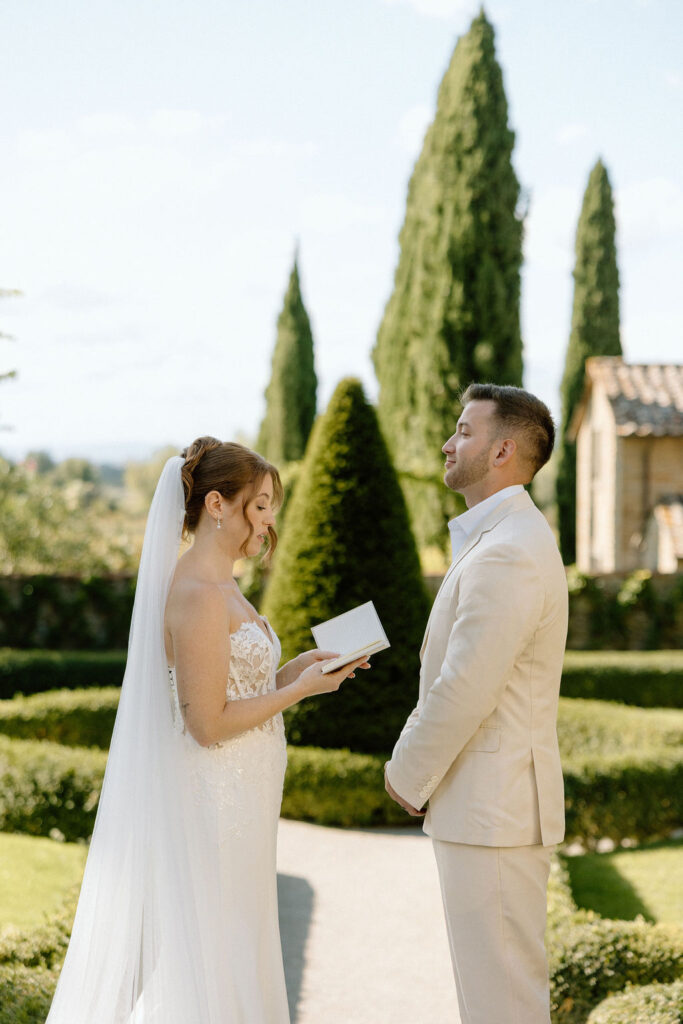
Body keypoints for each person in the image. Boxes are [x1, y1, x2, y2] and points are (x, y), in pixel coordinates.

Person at [46, 437, 368, 1024]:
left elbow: (245, 681)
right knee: (209, 946)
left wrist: (304, 667)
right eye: (262, 504)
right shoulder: (195, 593)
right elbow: (206, 724)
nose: (271, 521)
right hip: (212, 798)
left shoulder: (226, 583)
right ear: (217, 504)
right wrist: (297, 692)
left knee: (237, 936)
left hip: (244, 796)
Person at [385, 384, 567, 1024]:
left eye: (464, 430)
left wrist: (404, 774)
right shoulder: (502, 538)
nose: (447, 441)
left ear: (503, 451)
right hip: (489, 812)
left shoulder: (509, 550)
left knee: (503, 1006)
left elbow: (465, 687)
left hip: (494, 814)